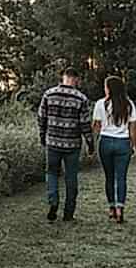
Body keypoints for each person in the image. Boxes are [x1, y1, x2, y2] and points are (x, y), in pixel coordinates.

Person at [37, 67, 94, 222]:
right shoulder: (81, 98)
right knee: (71, 177)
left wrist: (42, 136)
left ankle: (53, 201)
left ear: (63, 77)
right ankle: (68, 213)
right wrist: (90, 144)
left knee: (51, 173)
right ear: (76, 79)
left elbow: (41, 118)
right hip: (72, 145)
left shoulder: (49, 94)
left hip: (53, 142)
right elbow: (85, 125)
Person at [93, 75, 136, 224]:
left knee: (109, 177)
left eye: (105, 86)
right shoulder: (129, 104)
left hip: (105, 142)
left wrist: (92, 142)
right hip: (123, 143)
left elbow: (97, 127)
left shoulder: (100, 104)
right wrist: (133, 145)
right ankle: (120, 209)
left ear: (109, 88)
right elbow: (132, 128)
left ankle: (111, 207)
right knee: (121, 178)